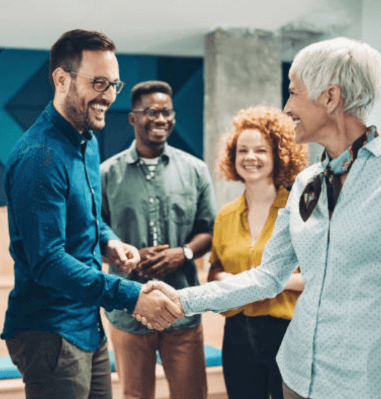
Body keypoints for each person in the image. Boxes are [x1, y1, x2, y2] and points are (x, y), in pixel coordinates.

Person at [139, 37, 381, 399]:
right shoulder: (308, 182)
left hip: (371, 383)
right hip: (296, 375)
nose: (287, 107)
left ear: (330, 97)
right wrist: (184, 299)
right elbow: (268, 276)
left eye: (293, 93)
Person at [1, 30, 182, 399]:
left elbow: (87, 219)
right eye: (99, 83)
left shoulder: (87, 141)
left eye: (114, 84)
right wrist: (131, 295)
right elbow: (48, 262)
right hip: (50, 331)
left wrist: (110, 242)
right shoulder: (40, 156)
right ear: (61, 79)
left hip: (86, 321)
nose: (110, 96)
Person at [100, 80, 217, 399]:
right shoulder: (106, 173)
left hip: (182, 308)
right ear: (132, 117)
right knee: (135, 396)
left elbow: (209, 229)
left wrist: (184, 253)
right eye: (151, 112)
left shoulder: (195, 170)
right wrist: (125, 255)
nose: (161, 119)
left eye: (167, 112)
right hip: (128, 309)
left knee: (191, 395)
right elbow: (94, 232)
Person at [207, 106, 306, 399]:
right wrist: (238, 281)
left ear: (279, 155)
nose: (250, 158)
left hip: (287, 331)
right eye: (242, 150)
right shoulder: (225, 215)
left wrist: (265, 282)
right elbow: (214, 272)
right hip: (237, 332)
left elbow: (318, 276)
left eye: (261, 150)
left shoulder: (300, 209)